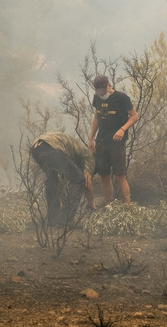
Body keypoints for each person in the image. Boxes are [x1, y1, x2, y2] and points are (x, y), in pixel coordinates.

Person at [88, 75, 138, 204]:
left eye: (103, 90)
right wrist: (91, 138)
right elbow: (97, 118)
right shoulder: (96, 98)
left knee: (119, 175)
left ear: (109, 86)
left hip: (117, 142)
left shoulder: (121, 98)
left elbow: (134, 116)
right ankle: (108, 204)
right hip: (102, 140)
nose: (101, 93)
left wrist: (123, 129)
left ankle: (127, 206)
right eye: (98, 90)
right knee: (104, 174)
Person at [30, 132, 95, 226]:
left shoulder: (74, 154)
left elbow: (63, 184)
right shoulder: (89, 156)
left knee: (52, 179)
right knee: (79, 180)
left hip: (36, 147)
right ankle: (65, 220)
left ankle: (53, 218)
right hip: (51, 145)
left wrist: (60, 201)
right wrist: (91, 202)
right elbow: (87, 182)